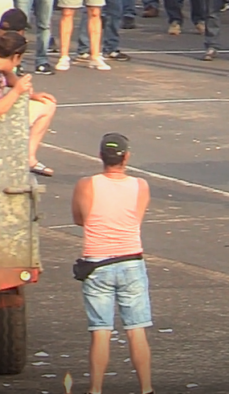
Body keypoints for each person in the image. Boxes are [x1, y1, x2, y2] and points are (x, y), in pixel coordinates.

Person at [71, 133, 154, 394]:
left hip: (97, 263)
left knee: (100, 330)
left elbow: (79, 219)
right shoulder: (141, 185)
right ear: (126, 157)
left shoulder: (86, 185)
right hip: (130, 260)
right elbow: (135, 220)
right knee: (136, 330)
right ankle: (146, 388)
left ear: (100, 157)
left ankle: (95, 389)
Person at [0, 28, 57, 177]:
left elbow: (10, 78)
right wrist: (17, 91)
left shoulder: (4, 68)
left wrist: (30, 94)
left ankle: (29, 158)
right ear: (16, 56)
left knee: (47, 104)